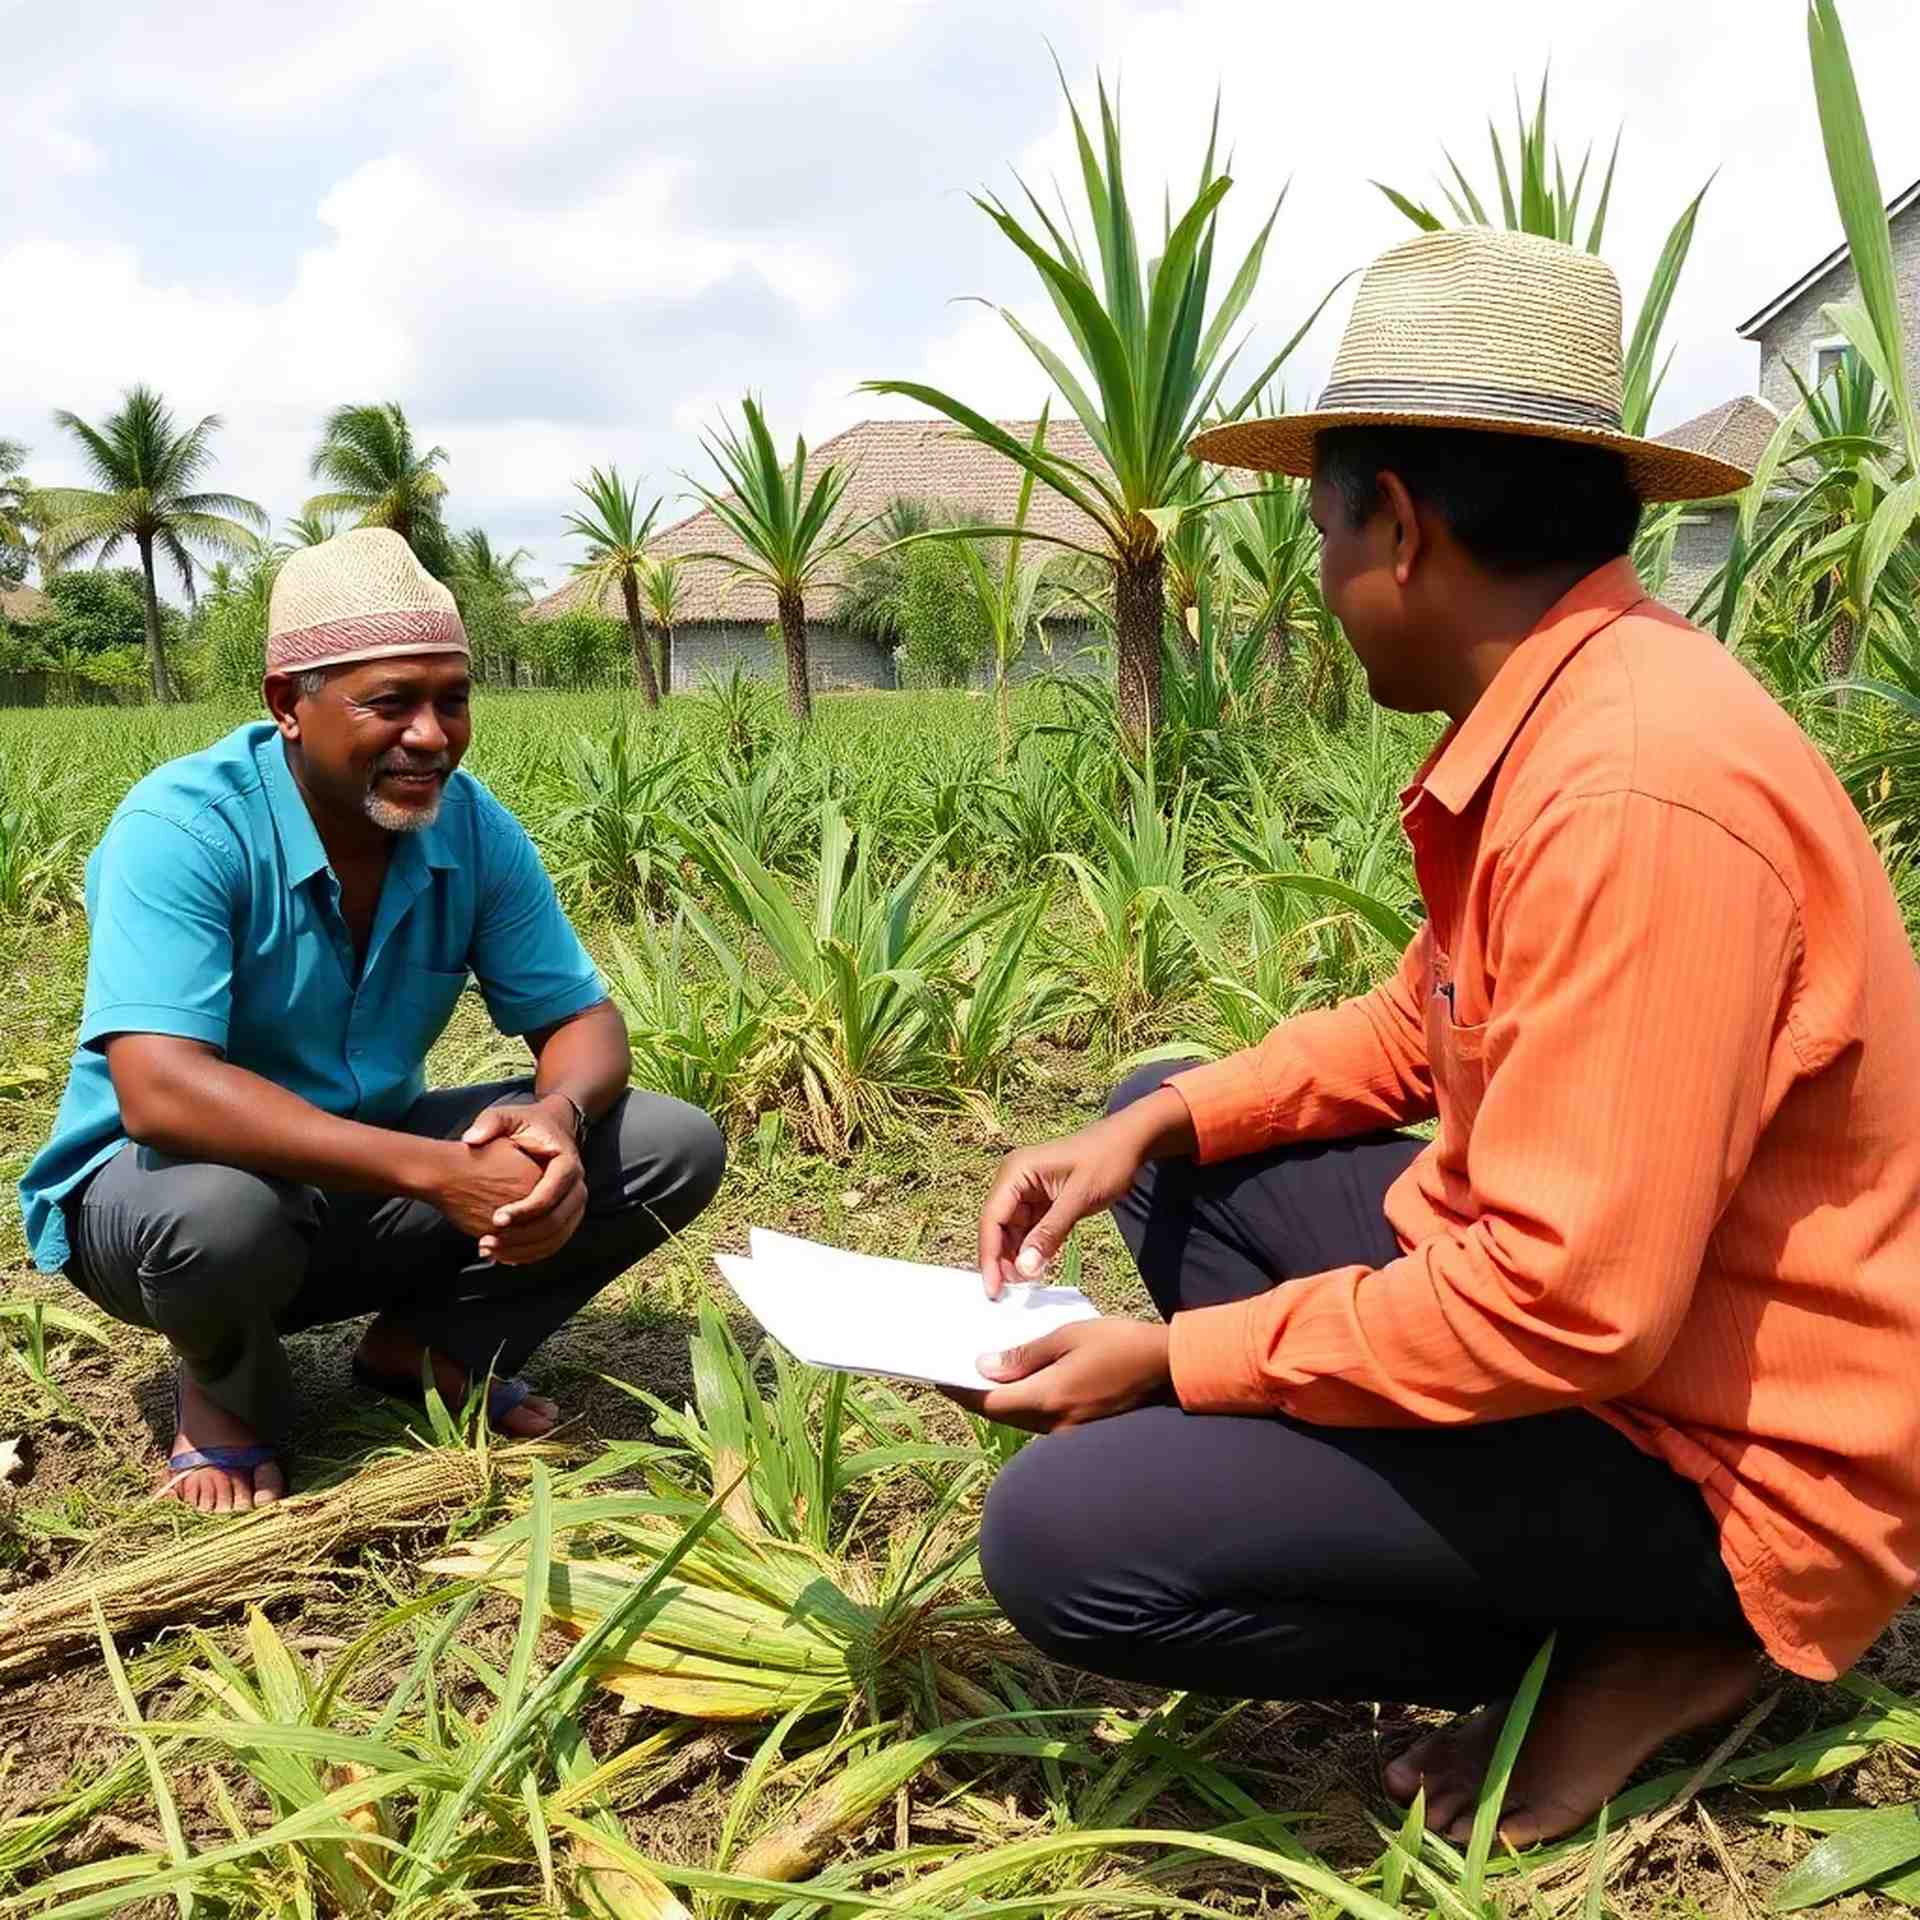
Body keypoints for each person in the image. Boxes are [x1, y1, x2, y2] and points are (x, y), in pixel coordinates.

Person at [957, 229, 1920, 1846]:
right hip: (1627, 1349)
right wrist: (1149, 1125)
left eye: (1324, 529)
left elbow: (1571, 1307)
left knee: (1067, 1540)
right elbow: (1422, 1024)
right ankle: (1514, 1563)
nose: (1326, 577)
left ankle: (1675, 1633)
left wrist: (1178, 1366)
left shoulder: (1629, 789)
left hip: (1727, 1453)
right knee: (1178, 1124)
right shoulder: (1572, 712)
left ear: (1394, 527)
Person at [18, 528, 725, 1513]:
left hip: (356, 1176)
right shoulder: (182, 827)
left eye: (453, 699)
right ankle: (227, 1396)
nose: (432, 735)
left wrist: (555, 1117)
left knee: (663, 1142)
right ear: (288, 708)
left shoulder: (467, 822)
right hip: (161, 1204)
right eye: (391, 702)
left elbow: (585, 1022)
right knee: (220, 1217)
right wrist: (440, 1172)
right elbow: (158, 1090)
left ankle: (425, 1351)